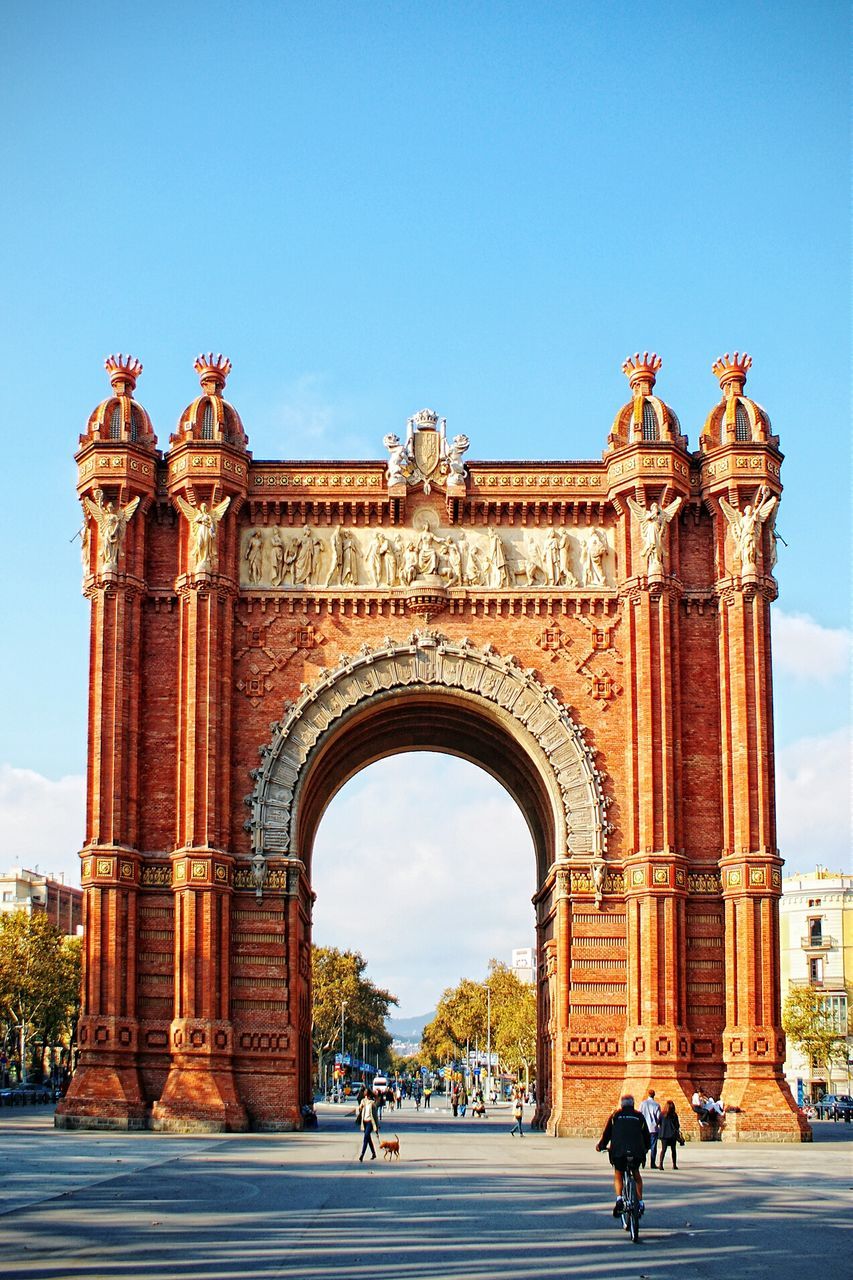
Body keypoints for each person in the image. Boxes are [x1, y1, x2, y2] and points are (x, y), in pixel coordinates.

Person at [596, 1094, 651, 1218]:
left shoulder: (615, 1116)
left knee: (618, 1172)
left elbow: (607, 1135)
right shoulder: (639, 1116)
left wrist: (601, 1146)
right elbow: (646, 1136)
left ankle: (619, 1198)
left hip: (619, 1152)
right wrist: (646, 1148)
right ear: (633, 1104)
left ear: (622, 1105)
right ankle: (640, 1202)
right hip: (636, 1152)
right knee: (636, 1174)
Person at [639, 1089, 662, 1169]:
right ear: (654, 1095)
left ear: (648, 1095)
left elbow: (640, 1115)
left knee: (643, 1145)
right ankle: (652, 1163)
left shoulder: (643, 1104)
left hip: (644, 1128)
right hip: (653, 1128)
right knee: (653, 1146)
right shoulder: (656, 1105)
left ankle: (643, 1160)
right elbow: (658, 1117)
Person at [356, 1088, 379, 1162]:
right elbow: (359, 1109)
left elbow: (375, 1116)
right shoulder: (363, 1101)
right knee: (368, 1138)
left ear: (368, 1094)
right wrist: (360, 1107)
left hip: (370, 1122)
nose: (364, 1094)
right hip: (364, 1122)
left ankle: (362, 1155)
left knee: (366, 1138)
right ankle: (373, 1153)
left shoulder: (372, 1103)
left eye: (366, 1093)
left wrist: (376, 1127)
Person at [657, 1100, 682, 1169]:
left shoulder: (662, 1114)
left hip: (664, 1135)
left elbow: (658, 1123)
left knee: (663, 1150)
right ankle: (674, 1165)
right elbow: (677, 1125)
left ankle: (661, 1165)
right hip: (672, 1135)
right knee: (673, 1150)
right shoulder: (674, 1115)